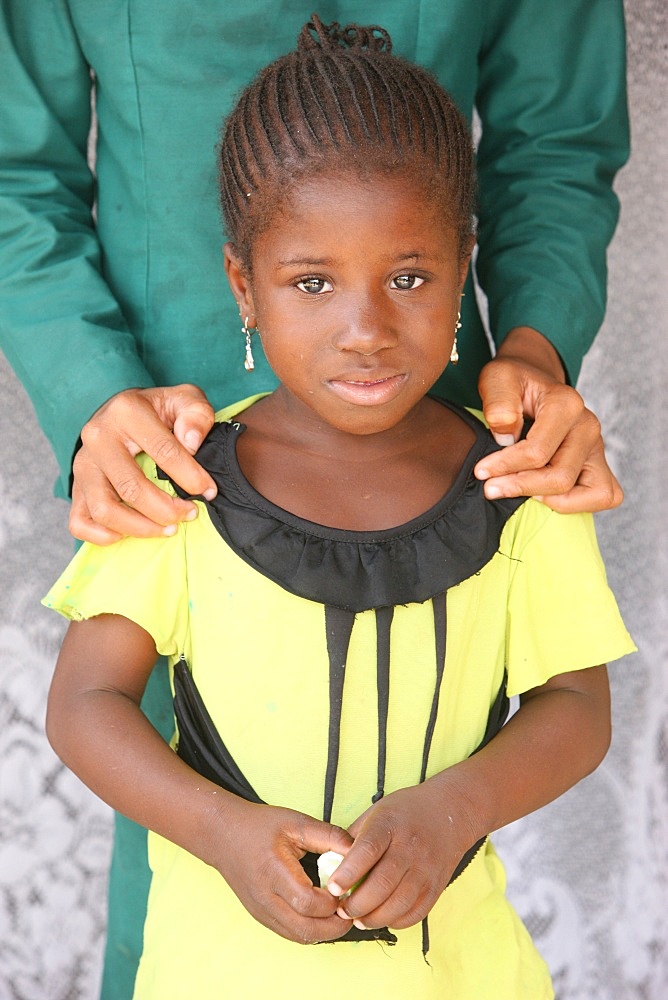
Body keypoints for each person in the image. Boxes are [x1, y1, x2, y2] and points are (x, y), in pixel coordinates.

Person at [0, 2, 629, 995]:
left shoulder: (510, 491)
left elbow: (554, 135)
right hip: (157, 428)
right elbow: (10, 164)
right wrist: (91, 390)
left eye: (410, 274)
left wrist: (533, 350)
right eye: (310, 284)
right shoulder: (177, 485)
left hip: (453, 414)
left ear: (452, 263)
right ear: (242, 286)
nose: (361, 328)